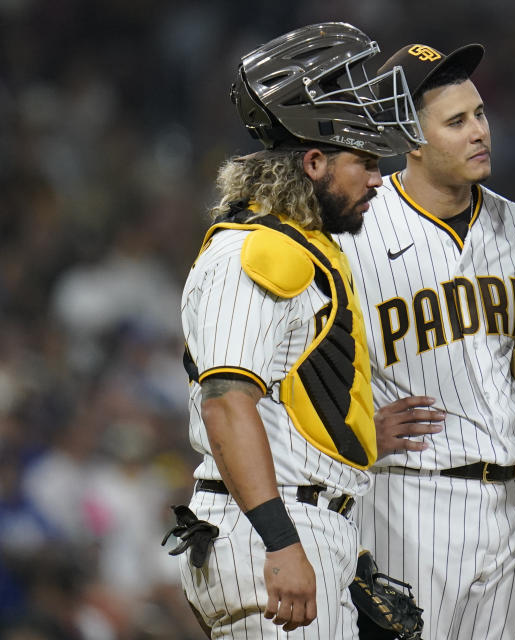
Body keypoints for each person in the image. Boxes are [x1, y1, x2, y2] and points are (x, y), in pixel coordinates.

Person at [172, 22, 425, 638]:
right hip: (267, 529)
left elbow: (285, 400)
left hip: (293, 521)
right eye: (364, 160)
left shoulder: (299, 247)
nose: (376, 178)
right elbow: (227, 405)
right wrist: (283, 543)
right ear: (313, 161)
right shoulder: (257, 253)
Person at [336, 43, 515, 640]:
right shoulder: (355, 232)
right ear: (412, 136)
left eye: (480, 114)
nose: (480, 132)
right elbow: (300, 364)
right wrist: (353, 430)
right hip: (410, 500)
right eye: (456, 122)